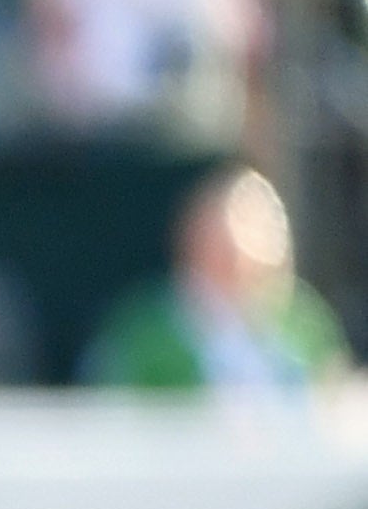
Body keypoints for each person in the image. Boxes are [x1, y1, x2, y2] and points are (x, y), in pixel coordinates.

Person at [88, 163, 353, 397]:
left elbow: (335, 396)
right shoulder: (144, 327)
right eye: (219, 240)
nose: (238, 248)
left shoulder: (304, 320)